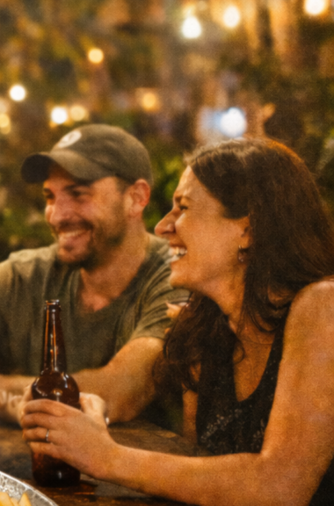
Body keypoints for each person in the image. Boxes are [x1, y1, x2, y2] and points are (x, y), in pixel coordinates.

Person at [22, 137, 334, 505]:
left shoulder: (322, 306)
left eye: (183, 208)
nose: (162, 227)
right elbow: (200, 478)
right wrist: (87, 423)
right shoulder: (204, 333)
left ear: (247, 229)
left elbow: (282, 486)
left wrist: (106, 456)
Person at [0, 124, 189, 424]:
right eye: (50, 196)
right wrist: (24, 396)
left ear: (136, 198)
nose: (57, 215)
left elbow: (116, 392)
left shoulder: (179, 275)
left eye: (78, 194)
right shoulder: (23, 277)